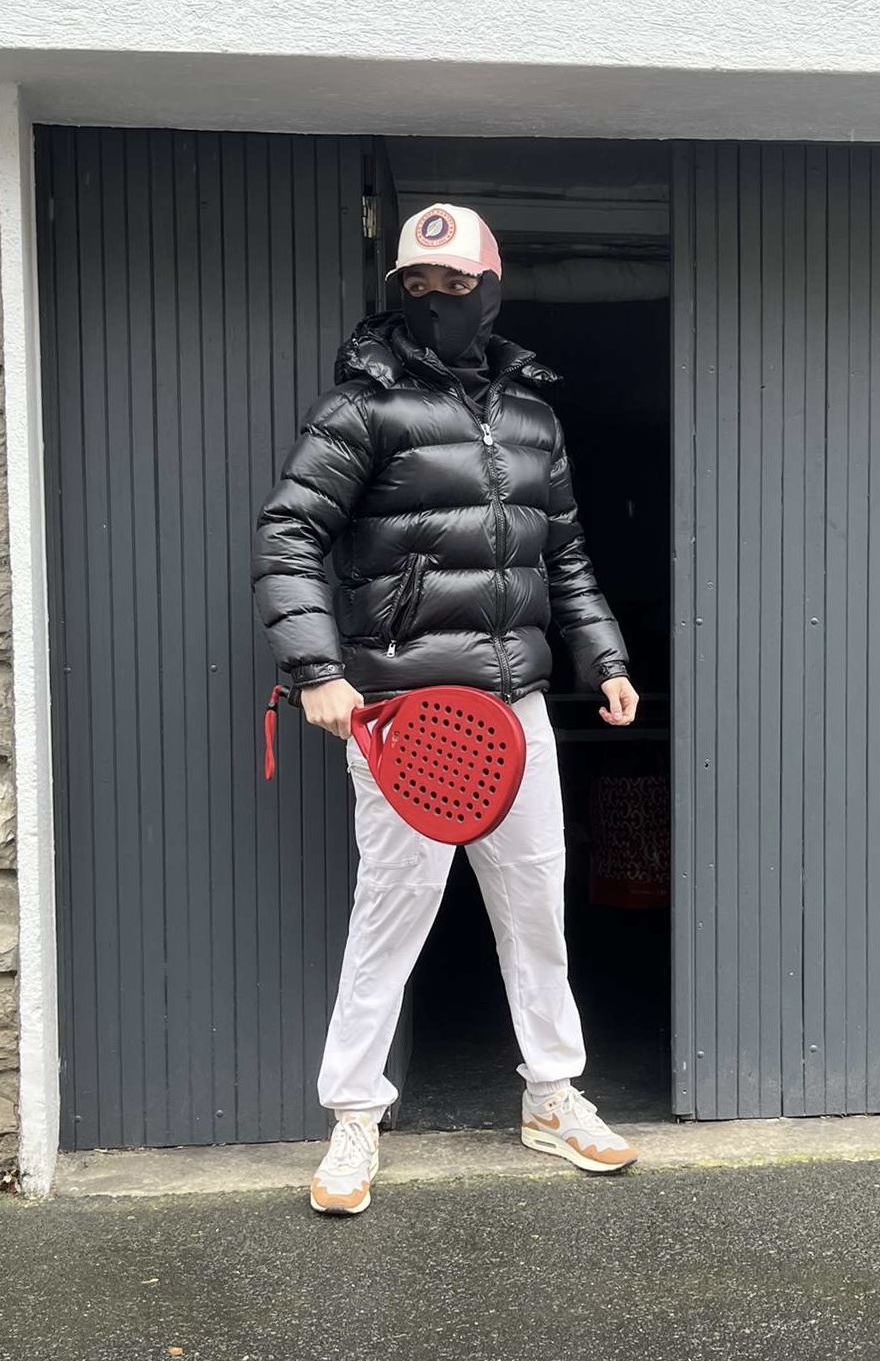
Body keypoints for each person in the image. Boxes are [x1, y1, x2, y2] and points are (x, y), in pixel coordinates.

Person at [252, 202, 640, 1215]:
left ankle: (551, 1096)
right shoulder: (361, 407)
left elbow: (564, 553)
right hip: (403, 714)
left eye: (455, 284)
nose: (435, 300)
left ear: (490, 288)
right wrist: (316, 670)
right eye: (417, 286)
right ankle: (353, 1116)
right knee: (391, 913)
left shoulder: (534, 417)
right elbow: (290, 533)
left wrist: (602, 655)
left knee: (535, 912)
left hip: (517, 711)